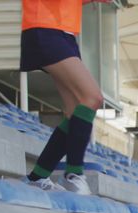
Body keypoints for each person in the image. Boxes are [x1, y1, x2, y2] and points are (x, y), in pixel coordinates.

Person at [19, 0, 106, 195]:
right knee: (93, 97)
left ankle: (37, 177)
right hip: (45, 28)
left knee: (75, 112)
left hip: (62, 32)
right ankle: (74, 174)